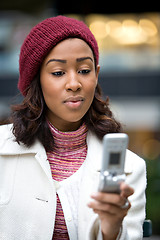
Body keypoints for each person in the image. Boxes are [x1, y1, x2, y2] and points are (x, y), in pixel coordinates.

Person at [0, 15, 146, 240]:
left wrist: (112, 228)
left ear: (97, 74)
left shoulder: (131, 167)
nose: (74, 84)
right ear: (36, 79)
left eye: (84, 70)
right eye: (58, 73)